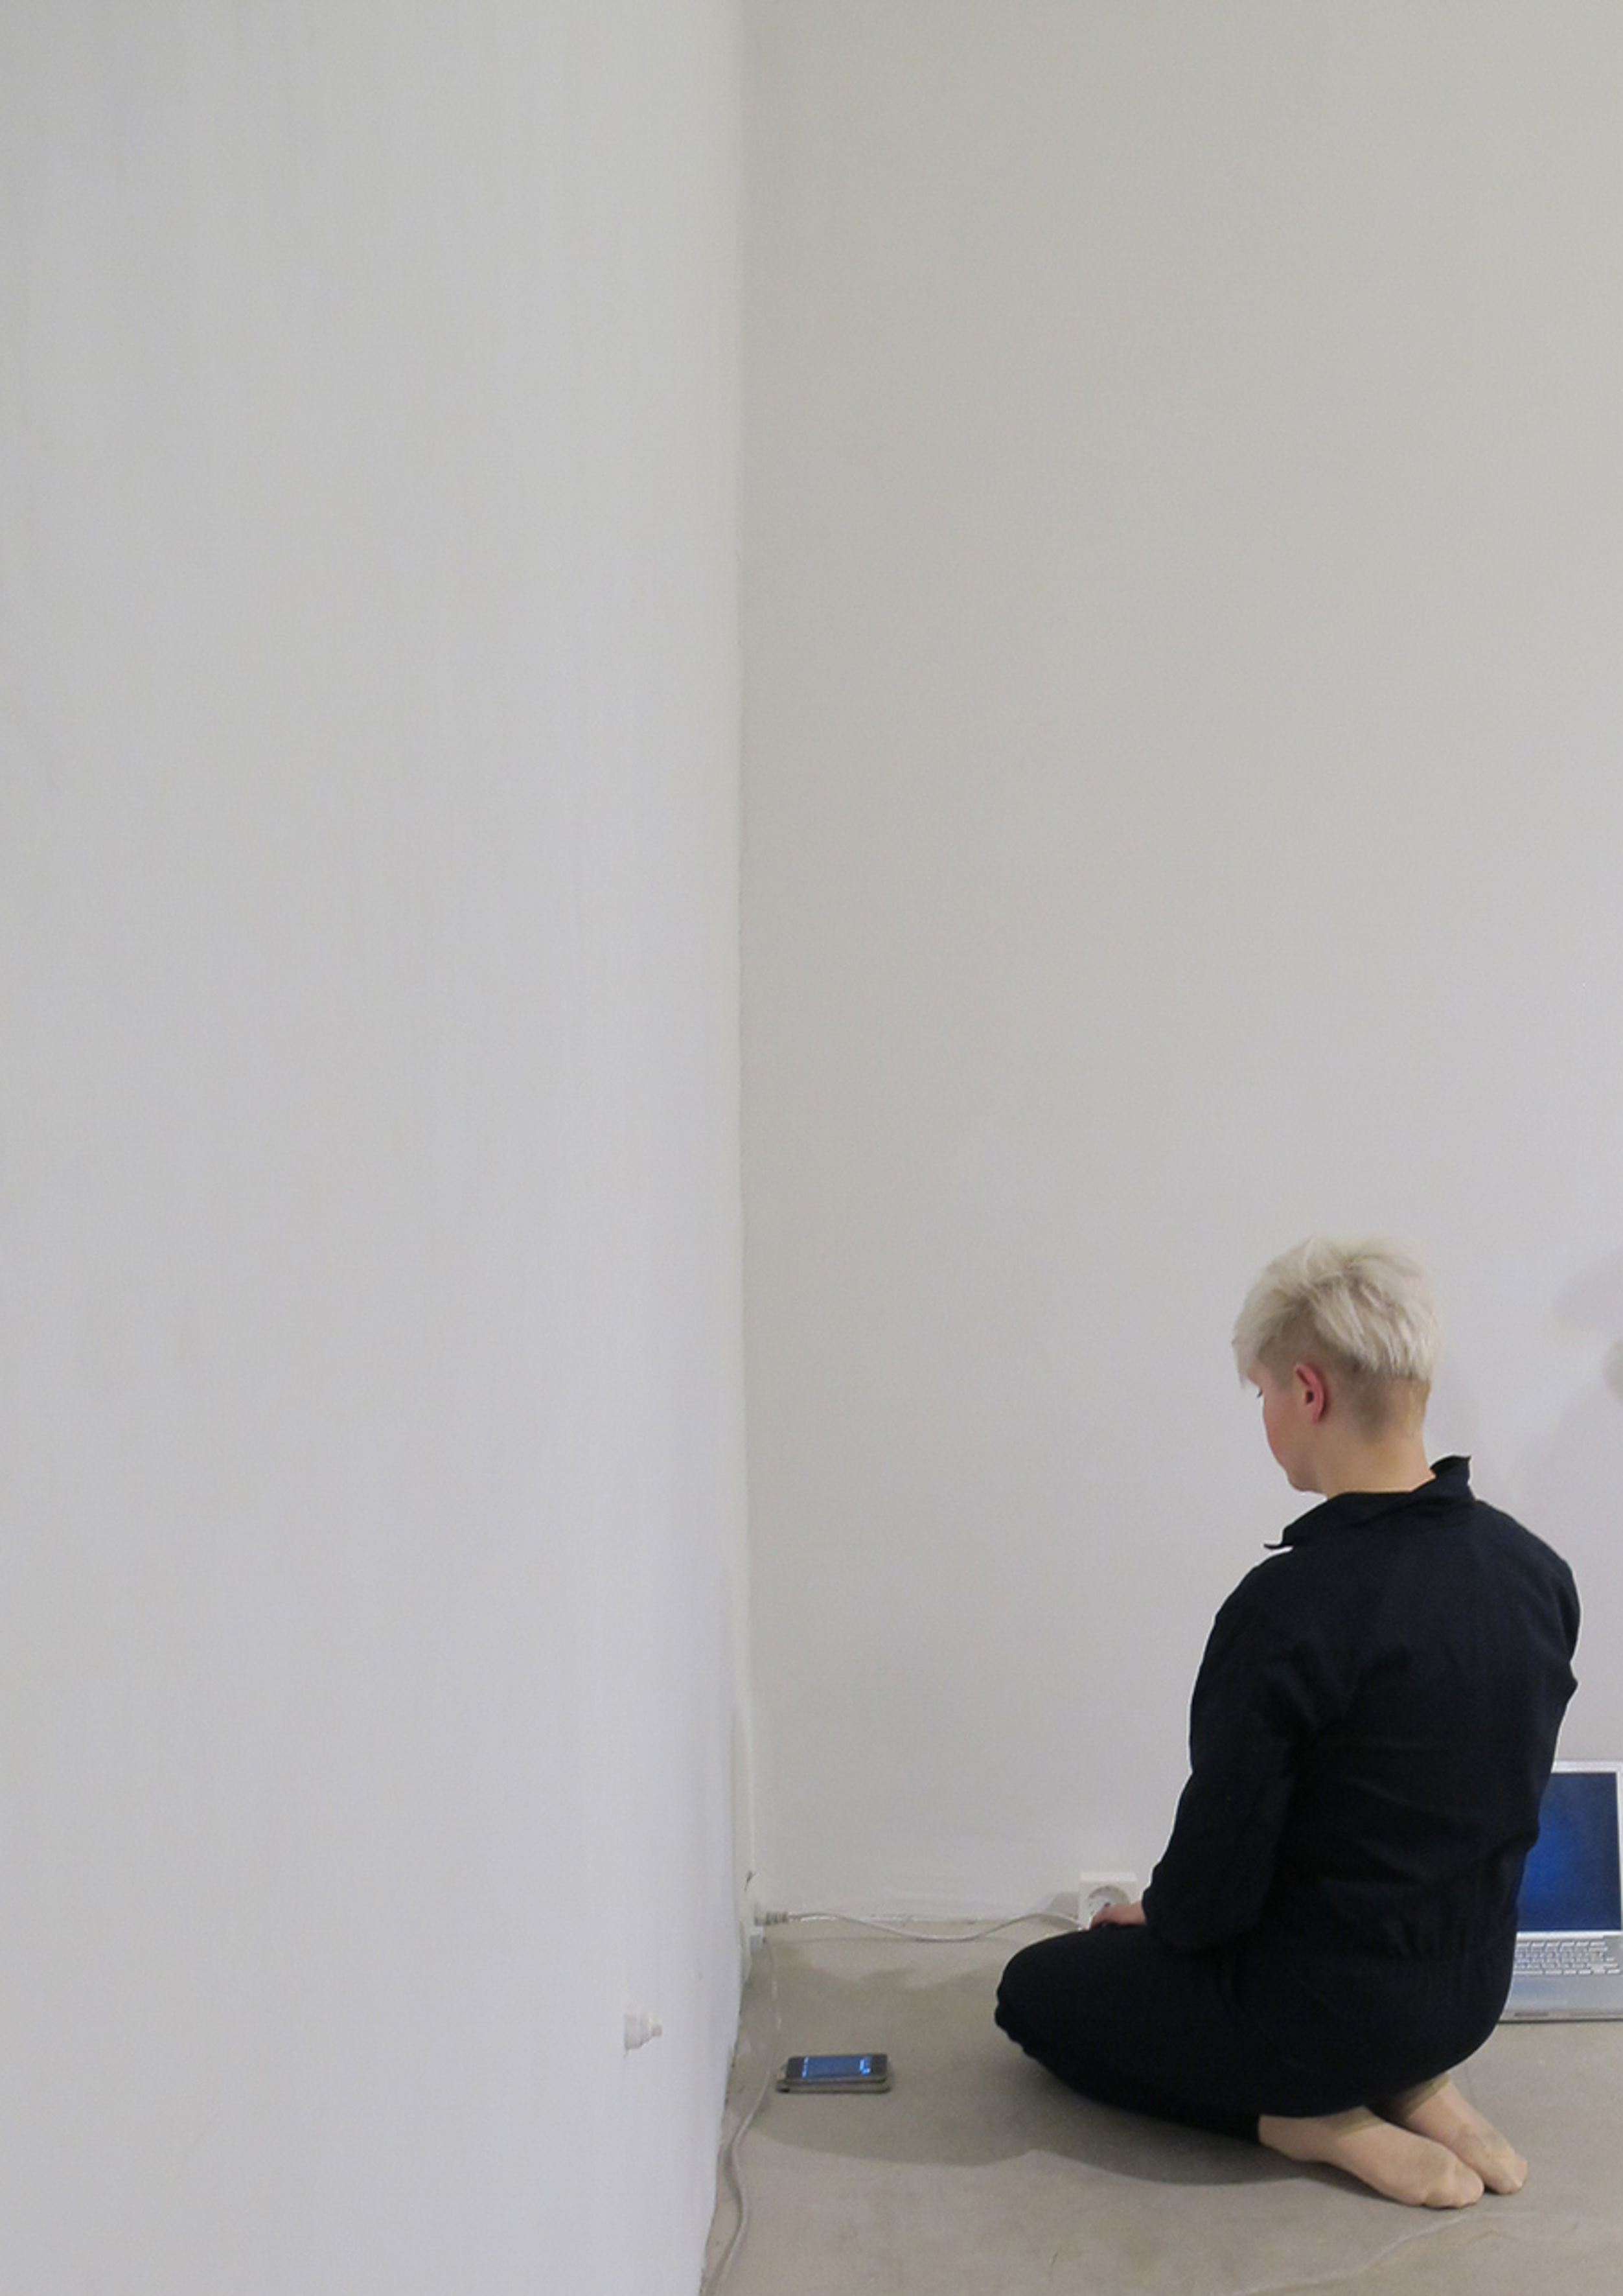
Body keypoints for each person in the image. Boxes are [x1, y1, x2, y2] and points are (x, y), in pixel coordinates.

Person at [995, 1237, 1580, 2207]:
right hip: (1471, 1994)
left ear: (1308, 1391)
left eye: (1263, 1392)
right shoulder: (1534, 1573)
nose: (1265, 1415)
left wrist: (1162, 1920)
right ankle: (1417, 2084)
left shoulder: (1288, 1608)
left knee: (1034, 1990)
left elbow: (1220, 1875)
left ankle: (1310, 2121)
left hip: (1313, 2021)